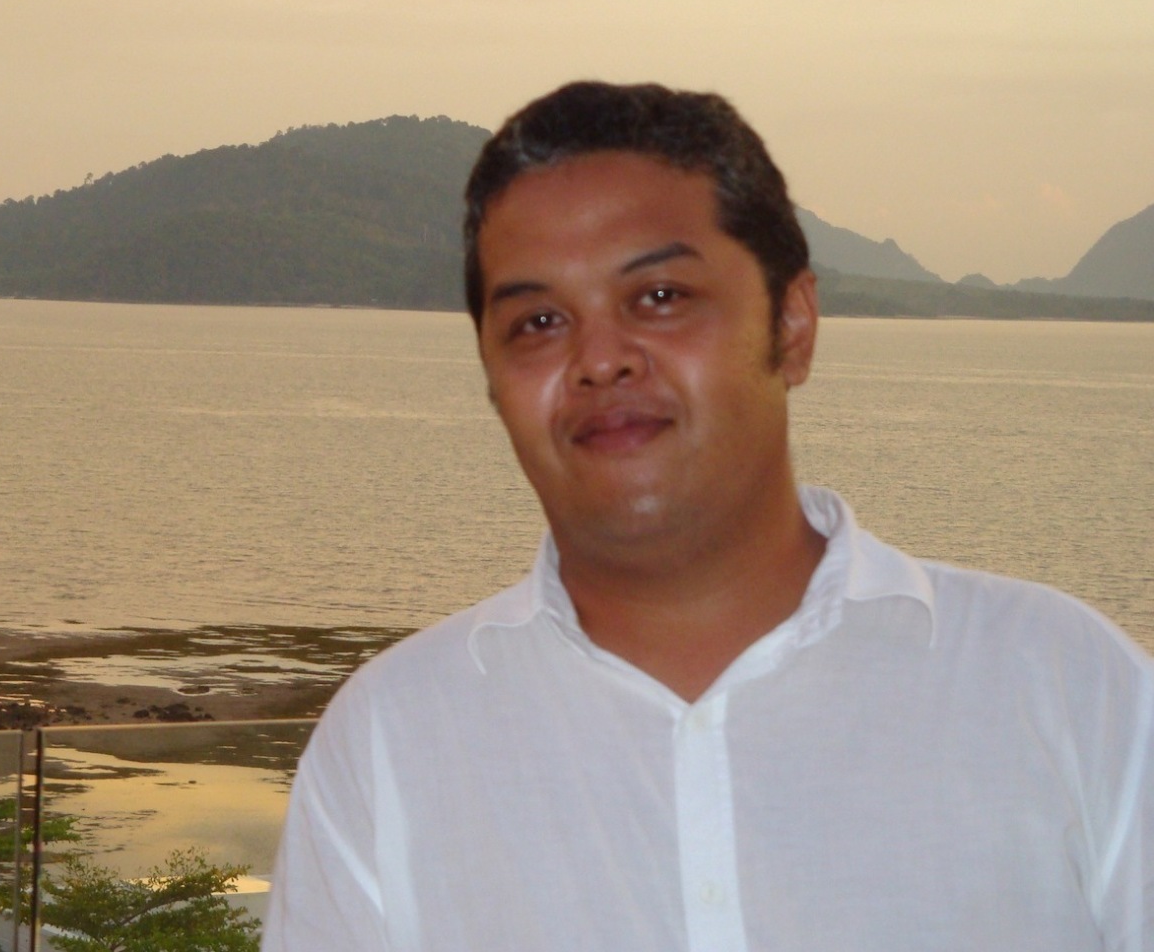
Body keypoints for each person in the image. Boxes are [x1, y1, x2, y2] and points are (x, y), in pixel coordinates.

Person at [262, 81, 1152, 951]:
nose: (600, 359)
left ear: (792, 326)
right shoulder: (390, 747)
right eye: (537, 321)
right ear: (492, 381)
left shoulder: (1069, 691)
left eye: (660, 298)